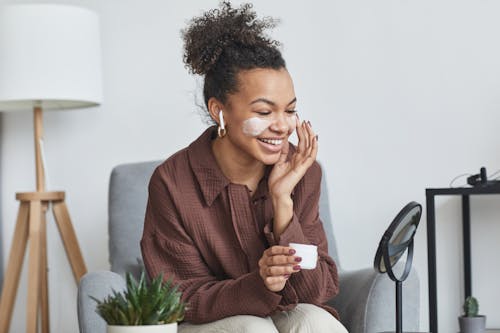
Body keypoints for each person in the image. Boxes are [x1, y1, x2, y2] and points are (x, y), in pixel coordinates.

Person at [141, 2, 348, 332]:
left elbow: (315, 292)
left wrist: (283, 204)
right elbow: (179, 297)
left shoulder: (304, 172)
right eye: (265, 112)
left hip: (284, 310)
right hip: (205, 323)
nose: (282, 126)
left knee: (316, 322)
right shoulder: (172, 182)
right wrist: (259, 283)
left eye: (290, 110)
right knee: (253, 329)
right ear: (219, 111)